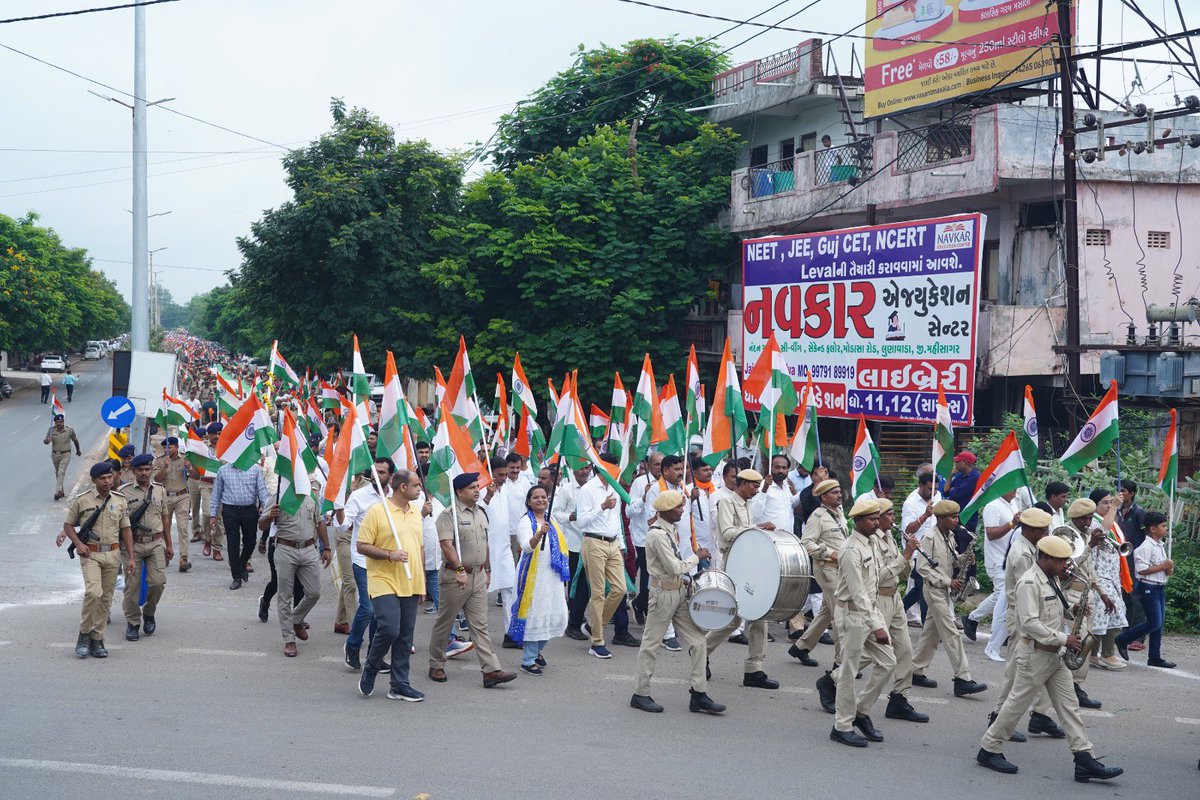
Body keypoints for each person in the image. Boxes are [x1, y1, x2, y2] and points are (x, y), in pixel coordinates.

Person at [976, 536, 1125, 783]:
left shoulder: (1052, 579)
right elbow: (1030, 623)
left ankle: (1084, 758)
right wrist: (1064, 639)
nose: (1066, 565)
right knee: (1016, 705)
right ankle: (989, 748)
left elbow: (1056, 610)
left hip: (1054, 655)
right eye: (1060, 560)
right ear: (1044, 558)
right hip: (1035, 654)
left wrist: (1073, 611)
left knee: (1069, 707)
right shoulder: (1029, 583)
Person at [630, 490, 722, 714]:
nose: (682, 510)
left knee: (699, 643)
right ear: (666, 511)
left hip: (678, 591)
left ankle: (699, 694)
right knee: (651, 645)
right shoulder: (657, 535)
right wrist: (697, 557)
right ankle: (640, 694)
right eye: (678, 507)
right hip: (662, 595)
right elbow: (675, 567)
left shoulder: (670, 529)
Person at [427, 472, 515, 688]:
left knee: (480, 625)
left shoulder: (481, 513)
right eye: (472, 487)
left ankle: (491, 671)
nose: (477, 490)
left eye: (477, 486)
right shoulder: (449, 515)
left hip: (477, 575)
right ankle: (436, 664)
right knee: (445, 623)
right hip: (455, 576)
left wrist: (487, 569)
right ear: (459, 492)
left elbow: (484, 544)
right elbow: (446, 545)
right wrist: (459, 569)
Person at [986, 507, 1064, 742]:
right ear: (1030, 531)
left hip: (1035, 615)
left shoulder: (1033, 548)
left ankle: (1040, 715)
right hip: (1022, 617)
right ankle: (999, 716)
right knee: (1015, 669)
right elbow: (1027, 592)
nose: (1047, 533)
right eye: (1043, 530)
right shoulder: (1021, 554)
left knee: (1048, 667)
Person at [829, 498, 896, 747]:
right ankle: (842, 725)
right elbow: (857, 592)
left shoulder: (871, 544)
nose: (877, 522)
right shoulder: (850, 550)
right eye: (871, 519)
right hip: (852, 615)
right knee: (849, 671)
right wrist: (877, 625)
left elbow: (872, 586)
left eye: (878, 518)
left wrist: (876, 620)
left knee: (888, 662)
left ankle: (861, 712)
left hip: (869, 612)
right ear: (857, 521)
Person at [706, 469, 780, 690]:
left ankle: (754, 669)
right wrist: (756, 528)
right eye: (754, 486)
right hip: (734, 563)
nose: (757, 490)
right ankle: (701, 651)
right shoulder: (726, 502)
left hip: (749, 563)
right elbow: (727, 533)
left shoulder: (747, 504)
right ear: (743, 483)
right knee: (736, 618)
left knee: (759, 613)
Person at [356, 468, 425, 699]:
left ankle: (399, 685)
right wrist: (389, 555)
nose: (420, 489)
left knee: (405, 635)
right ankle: (372, 664)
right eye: (416, 485)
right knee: (390, 628)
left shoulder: (415, 512)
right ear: (402, 487)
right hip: (383, 579)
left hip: (411, 580)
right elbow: (362, 545)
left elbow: (419, 549)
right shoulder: (378, 511)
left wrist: (422, 580)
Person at [56, 462, 134, 658]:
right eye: (103, 478)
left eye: (110, 477)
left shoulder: (120, 500)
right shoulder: (82, 500)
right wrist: (78, 544)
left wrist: (131, 557)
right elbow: (68, 525)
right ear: (94, 481)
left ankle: (97, 639)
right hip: (90, 554)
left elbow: (126, 529)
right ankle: (83, 635)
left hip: (113, 554)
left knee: (106, 598)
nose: (107, 481)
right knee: (93, 592)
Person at [910, 500, 987, 697]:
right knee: (951, 632)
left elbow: (950, 560)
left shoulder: (950, 535)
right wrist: (947, 581)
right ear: (941, 518)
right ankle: (963, 678)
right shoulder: (929, 537)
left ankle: (915, 670)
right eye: (953, 517)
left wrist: (963, 558)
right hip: (934, 589)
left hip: (943, 590)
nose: (957, 520)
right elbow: (922, 568)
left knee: (931, 634)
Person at [1056, 498, 1116, 709]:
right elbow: (1070, 565)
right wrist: (1089, 546)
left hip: (1087, 595)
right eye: (1085, 518)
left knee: (1086, 642)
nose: (1089, 522)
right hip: (1071, 593)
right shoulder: (1065, 536)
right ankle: (1071, 686)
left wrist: (1103, 594)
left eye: (1091, 517)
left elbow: (1090, 571)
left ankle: (1075, 684)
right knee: (1076, 642)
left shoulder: (1087, 534)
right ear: (1075, 517)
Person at [873, 498, 927, 723]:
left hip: (895, 599)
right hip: (878, 599)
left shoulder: (890, 538)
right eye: (889, 514)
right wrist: (905, 555)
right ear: (877, 518)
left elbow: (900, 571)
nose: (894, 518)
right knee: (869, 653)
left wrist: (911, 556)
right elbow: (880, 575)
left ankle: (899, 698)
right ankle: (833, 681)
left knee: (904, 650)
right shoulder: (871, 542)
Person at [508, 485, 570, 675]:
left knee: (555, 614)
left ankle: (537, 651)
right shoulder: (526, 521)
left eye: (544, 497)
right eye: (536, 497)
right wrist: (539, 534)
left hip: (551, 577)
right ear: (529, 501)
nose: (541, 500)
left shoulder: (551, 519)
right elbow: (526, 547)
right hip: (532, 578)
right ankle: (528, 660)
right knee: (534, 615)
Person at [575, 455, 631, 659]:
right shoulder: (588, 490)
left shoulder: (613, 488)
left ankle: (593, 625)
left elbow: (616, 520)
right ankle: (597, 641)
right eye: (613, 467)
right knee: (597, 593)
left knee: (620, 589)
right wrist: (602, 507)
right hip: (593, 542)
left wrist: (621, 545)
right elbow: (581, 522)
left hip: (613, 543)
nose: (616, 470)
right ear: (602, 468)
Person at [338, 459, 392, 655]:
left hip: (387, 561)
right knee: (368, 608)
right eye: (375, 472)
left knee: (381, 612)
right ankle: (352, 646)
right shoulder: (359, 496)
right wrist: (338, 510)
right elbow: (344, 525)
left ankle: (374, 655)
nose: (377, 476)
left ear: (391, 476)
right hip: (363, 560)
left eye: (382, 473)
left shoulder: (396, 497)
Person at [266, 491, 330, 656]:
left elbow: (320, 522)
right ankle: (289, 639)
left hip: (309, 549)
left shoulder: (311, 497)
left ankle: (295, 619)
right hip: (285, 549)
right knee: (285, 596)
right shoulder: (277, 496)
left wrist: (327, 548)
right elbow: (261, 524)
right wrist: (269, 516)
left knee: (314, 592)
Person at [118, 453, 172, 642]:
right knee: (132, 587)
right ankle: (133, 622)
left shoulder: (159, 490)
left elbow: (165, 517)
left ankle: (149, 612)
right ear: (133, 471)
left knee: (158, 582)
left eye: (147, 469)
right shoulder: (123, 493)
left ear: (151, 470)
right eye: (140, 470)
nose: (144, 473)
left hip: (156, 542)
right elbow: (120, 524)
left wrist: (169, 544)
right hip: (133, 545)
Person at [794, 478, 846, 670]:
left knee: (826, 612)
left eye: (840, 491)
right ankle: (841, 664)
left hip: (840, 569)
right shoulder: (817, 516)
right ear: (824, 496)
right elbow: (806, 543)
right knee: (840, 615)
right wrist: (830, 553)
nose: (839, 494)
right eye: (834, 492)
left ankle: (801, 646)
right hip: (826, 568)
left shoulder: (838, 512)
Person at [964, 489, 1020, 661]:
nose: (1016, 492)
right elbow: (991, 534)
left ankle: (972, 618)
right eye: (1013, 488)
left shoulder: (1013, 503)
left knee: (1001, 596)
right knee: (1004, 597)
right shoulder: (992, 506)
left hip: (1011, 559)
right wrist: (1012, 524)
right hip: (997, 560)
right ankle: (994, 641)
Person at [1116, 511, 1175, 668]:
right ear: (1153, 529)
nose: (1166, 529)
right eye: (1163, 526)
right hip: (1147, 587)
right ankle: (1123, 639)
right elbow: (1142, 570)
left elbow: (1164, 568)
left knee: (1159, 623)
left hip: (1159, 587)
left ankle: (1154, 656)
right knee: (1154, 622)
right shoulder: (1144, 547)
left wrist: (1168, 569)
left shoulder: (1160, 546)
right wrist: (1163, 566)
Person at [209, 456, 269, 590]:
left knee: (251, 541)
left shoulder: (255, 469)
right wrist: (213, 514)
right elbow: (216, 493)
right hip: (230, 510)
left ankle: (242, 564)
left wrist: (266, 508)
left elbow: (262, 491)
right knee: (233, 542)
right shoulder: (223, 470)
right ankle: (236, 577)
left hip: (249, 510)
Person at [1085, 489, 1128, 671]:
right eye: (1105, 502)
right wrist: (1115, 508)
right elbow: (1103, 530)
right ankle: (1106, 654)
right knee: (1107, 612)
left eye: (1111, 502)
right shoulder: (1093, 521)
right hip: (1098, 575)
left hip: (1111, 575)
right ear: (1094, 505)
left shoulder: (1111, 521)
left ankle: (1096, 655)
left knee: (1105, 615)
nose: (1109, 505)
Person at [626, 452, 664, 624]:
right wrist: (644, 497)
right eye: (656, 464)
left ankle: (641, 604)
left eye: (662, 465)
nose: (659, 468)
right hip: (643, 537)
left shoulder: (667, 483)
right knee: (648, 577)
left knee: (658, 576)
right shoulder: (640, 483)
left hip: (663, 537)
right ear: (647, 465)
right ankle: (642, 604)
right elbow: (629, 511)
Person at [1115, 479, 1148, 651]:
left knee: (1137, 599)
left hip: (1135, 561)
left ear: (1132, 494)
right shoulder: (1116, 511)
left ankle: (1138, 637)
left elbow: (1147, 536)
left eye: (1124, 491)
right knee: (1124, 598)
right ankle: (1125, 633)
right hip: (1121, 561)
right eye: (1118, 490)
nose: (1120, 494)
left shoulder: (1138, 513)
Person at [153, 437, 192, 573]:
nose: (167, 450)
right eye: (165, 447)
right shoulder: (159, 460)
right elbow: (156, 479)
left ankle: (184, 558)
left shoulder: (184, 459)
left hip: (182, 496)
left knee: (183, 527)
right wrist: (165, 466)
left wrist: (190, 467)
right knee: (164, 528)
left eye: (169, 447)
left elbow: (196, 476)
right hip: (165, 497)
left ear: (176, 447)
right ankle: (166, 553)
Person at [197, 423, 225, 562]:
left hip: (222, 487)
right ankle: (207, 539)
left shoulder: (226, 447)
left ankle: (217, 548)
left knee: (219, 519)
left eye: (220, 433)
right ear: (209, 435)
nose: (217, 436)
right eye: (215, 434)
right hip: (206, 484)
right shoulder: (202, 447)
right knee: (208, 514)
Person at [757, 453, 801, 534]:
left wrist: (795, 492)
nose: (781, 471)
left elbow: (792, 504)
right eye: (777, 467)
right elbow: (755, 512)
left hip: (787, 538)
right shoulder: (762, 486)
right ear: (770, 468)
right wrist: (764, 489)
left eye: (784, 468)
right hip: (768, 538)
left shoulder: (787, 486)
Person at [43, 414, 81, 501]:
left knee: (61, 471)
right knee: (58, 472)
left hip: (66, 454)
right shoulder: (51, 430)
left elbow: (75, 440)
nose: (59, 423)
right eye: (57, 422)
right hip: (55, 454)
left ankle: (58, 491)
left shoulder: (69, 430)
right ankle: (62, 491)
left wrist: (78, 450)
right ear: (55, 423)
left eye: (60, 422)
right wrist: (47, 440)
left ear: (63, 422)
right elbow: (45, 441)